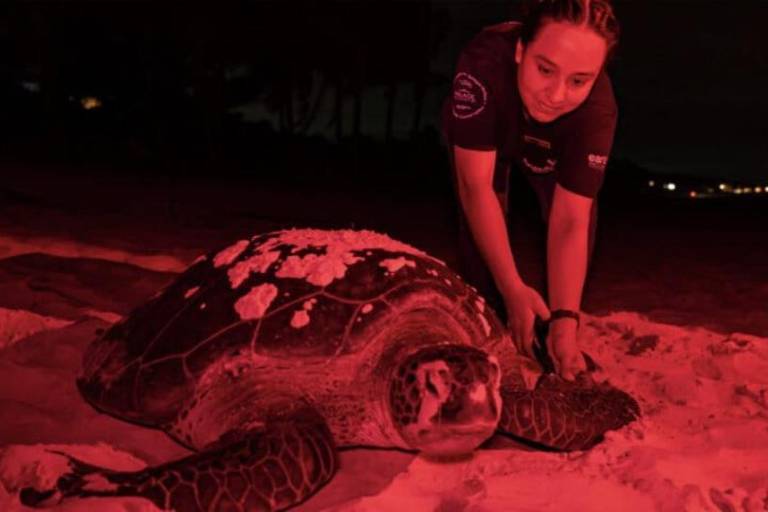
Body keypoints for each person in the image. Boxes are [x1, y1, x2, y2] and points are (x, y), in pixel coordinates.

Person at [442, 0, 620, 380]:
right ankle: (491, 328)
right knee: (486, 255)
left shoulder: (597, 111)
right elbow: (476, 187)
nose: (556, 94)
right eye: (545, 69)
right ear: (521, 50)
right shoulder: (482, 63)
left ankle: (559, 335)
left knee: (578, 222)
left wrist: (565, 321)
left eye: (578, 80)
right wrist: (511, 288)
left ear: (597, 75)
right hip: (495, 125)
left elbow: (570, 219)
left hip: (551, 144)